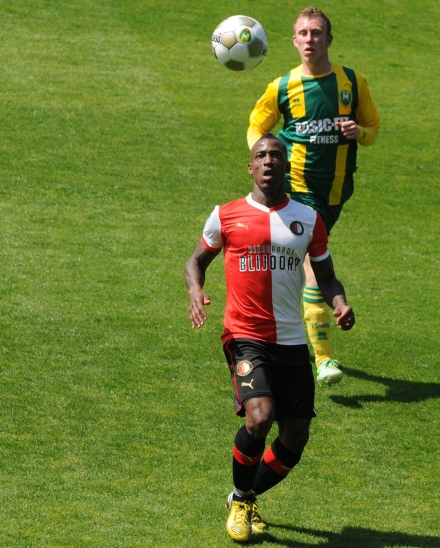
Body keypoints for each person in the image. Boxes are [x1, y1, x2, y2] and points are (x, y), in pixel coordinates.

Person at [185, 133, 355, 543]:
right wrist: (195, 290)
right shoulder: (225, 215)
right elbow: (195, 260)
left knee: (295, 436)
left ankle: (243, 496)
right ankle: (243, 501)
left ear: (284, 166)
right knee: (259, 417)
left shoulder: (307, 219)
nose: (268, 161)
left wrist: (341, 301)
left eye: (275, 155)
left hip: (293, 341)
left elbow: (326, 274)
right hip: (244, 336)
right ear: (251, 166)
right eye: (260, 155)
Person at [247, 6, 380, 386]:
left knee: (297, 261)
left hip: (335, 191)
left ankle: (275, 327)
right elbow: (257, 125)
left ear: (329, 39)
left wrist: (360, 134)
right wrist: (264, 159)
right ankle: (323, 358)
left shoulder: (352, 82)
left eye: (316, 33)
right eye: (303, 33)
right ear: (294, 41)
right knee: (309, 261)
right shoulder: (282, 86)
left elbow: (373, 128)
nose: (310, 39)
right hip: (298, 188)